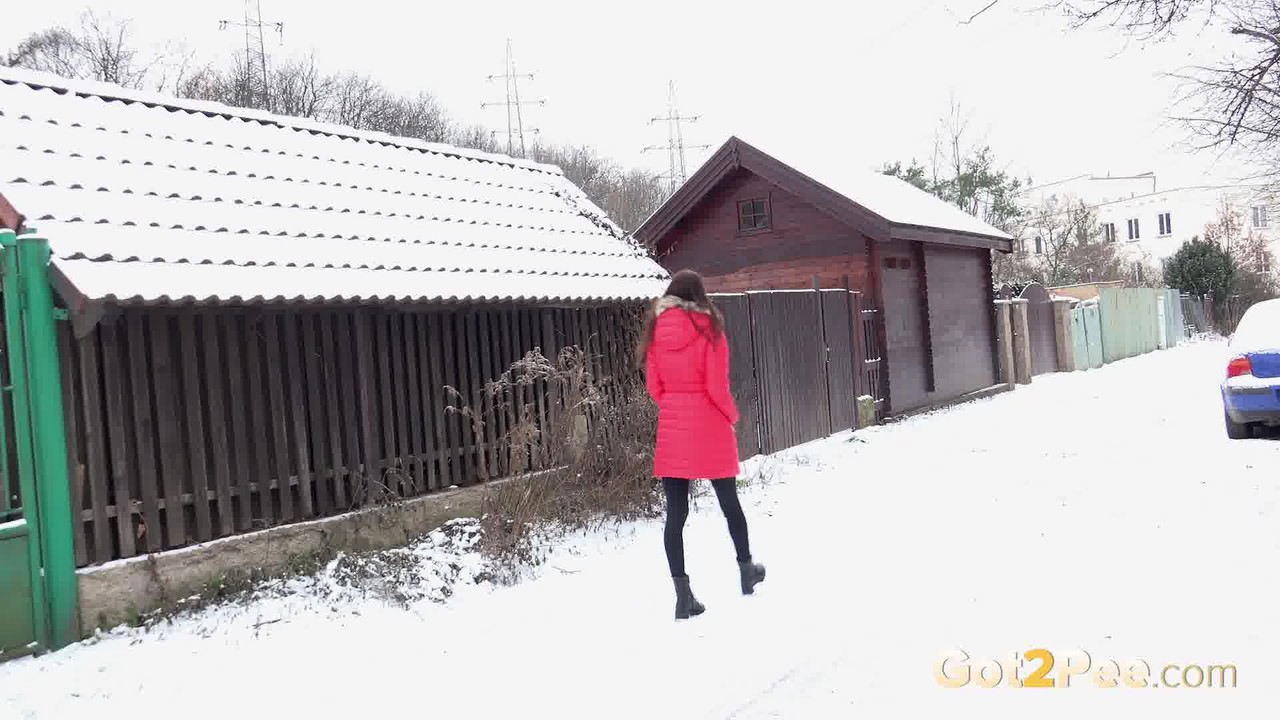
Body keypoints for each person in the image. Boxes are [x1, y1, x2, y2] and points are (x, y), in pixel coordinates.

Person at [640, 269, 766, 620]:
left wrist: (674, 405)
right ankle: (746, 571)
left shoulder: (656, 330)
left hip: (673, 428)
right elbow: (715, 387)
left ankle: (683, 597)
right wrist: (731, 415)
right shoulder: (710, 329)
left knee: (675, 514)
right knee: (729, 503)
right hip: (710, 425)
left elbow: (654, 386)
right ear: (699, 295)